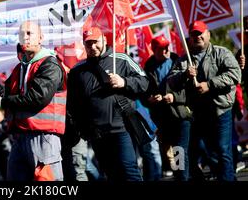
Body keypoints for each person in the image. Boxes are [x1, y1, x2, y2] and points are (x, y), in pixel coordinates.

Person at [0, 21, 66, 181]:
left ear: (41, 38)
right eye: (21, 34)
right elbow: (5, 93)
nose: (25, 37)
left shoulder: (50, 64)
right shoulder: (19, 68)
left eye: (29, 33)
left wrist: (2, 102)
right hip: (20, 137)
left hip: (43, 137)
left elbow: (38, 97)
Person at [67, 26, 149, 181]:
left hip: (121, 129)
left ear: (104, 39)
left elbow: (144, 82)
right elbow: (73, 104)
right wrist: (83, 129)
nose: (92, 46)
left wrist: (123, 81)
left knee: (129, 171)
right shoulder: (78, 70)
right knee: (111, 174)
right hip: (97, 134)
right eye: (88, 43)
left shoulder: (122, 59)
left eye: (95, 42)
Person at [167, 20, 241, 181]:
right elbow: (171, 81)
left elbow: (235, 75)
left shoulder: (222, 53)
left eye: (200, 33)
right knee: (206, 151)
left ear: (208, 34)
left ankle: (227, 178)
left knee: (222, 149)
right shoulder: (183, 59)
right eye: (193, 34)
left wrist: (209, 85)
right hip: (198, 114)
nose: (197, 37)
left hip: (221, 110)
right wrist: (185, 75)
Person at [144, 35, 192, 181]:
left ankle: (183, 177)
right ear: (153, 50)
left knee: (180, 150)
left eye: (166, 47)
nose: (165, 51)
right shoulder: (148, 67)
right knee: (169, 153)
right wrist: (150, 99)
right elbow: (144, 92)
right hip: (162, 117)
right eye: (161, 49)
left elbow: (189, 89)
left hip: (180, 113)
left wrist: (173, 97)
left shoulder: (179, 61)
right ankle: (185, 175)